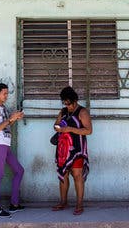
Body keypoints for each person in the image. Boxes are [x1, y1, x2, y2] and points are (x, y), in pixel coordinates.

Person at [51, 86, 92, 216]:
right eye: (65, 103)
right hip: (63, 150)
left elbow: (88, 130)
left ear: (74, 100)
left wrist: (69, 129)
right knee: (63, 175)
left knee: (77, 175)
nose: (67, 106)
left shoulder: (82, 112)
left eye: (69, 103)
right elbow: (55, 125)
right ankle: (63, 202)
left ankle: (79, 204)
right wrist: (58, 127)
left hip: (77, 150)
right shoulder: (62, 112)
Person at [0, 83, 25, 218]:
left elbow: (6, 125)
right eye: (4, 93)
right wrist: (10, 119)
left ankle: (14, 204)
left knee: (19, 171)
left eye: (7, 93)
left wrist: (14, 118)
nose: (6, 96)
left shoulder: (3, 108)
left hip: (5, 143)